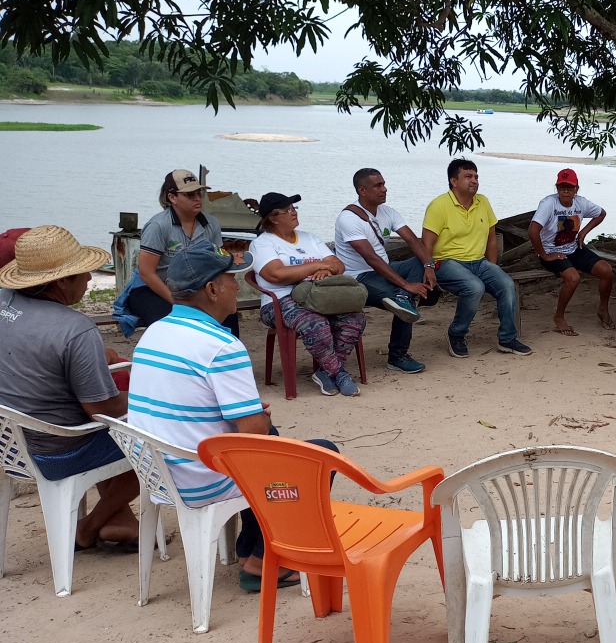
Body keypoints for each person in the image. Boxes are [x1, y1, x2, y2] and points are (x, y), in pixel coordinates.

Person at [127, 240, 342, 592]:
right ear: (212, 290)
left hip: (159, 471)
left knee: (270, 440)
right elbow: (254, 438)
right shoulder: (222, 346)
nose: (236, 286)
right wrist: (257, 418)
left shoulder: (154, 331)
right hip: (201, 478)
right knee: (322, 453)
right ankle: (265, 559)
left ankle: (247, 547)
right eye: (230, 280)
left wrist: (253, 418)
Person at [0, 225, 139, 550]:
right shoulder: (75, 330)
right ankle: (87, 528)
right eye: (83, 272)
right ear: (62, 280)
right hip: (57, 451)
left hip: (10, 446)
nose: (90, 279)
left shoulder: (5, 303)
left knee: (106, 423)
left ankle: (119, 520)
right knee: (158, 437)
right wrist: (152, 398)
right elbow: (103, 410)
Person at [250, 192, 366, 397]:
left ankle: (325, 371)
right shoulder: (263, 244)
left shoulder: (309, 238)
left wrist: (327, 270)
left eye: (294, 208)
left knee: (355, 318)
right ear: (273, 218)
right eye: (286, 211)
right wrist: (318, 265)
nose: (293, 213)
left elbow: (338, 264)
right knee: (315, 324)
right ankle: (338, 373)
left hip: (318, 295)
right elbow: (276, 274)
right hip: (279, 300)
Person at [423, 158, 531, 357]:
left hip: (479, 262)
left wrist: (492, 267)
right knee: (474, 287)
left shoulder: (483, 201)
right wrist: (429, 267)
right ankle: (456, 333)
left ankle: (507, 338)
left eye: (476, 176)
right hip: (446, 262)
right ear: (453, 181)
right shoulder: (439, 206)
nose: (474, 180)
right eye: (468, 176)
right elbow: (426, 243)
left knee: (506, 284)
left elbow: (491, 238)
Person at [335, 168, 436, 374]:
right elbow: (371, 259)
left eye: (384, 184)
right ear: (362, 190)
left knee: (416, 267)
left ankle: (403, 298)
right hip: (358, 278)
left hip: (385, 269)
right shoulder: (348, 219)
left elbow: (412, 240)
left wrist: (429, 265)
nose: (384, 189)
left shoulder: (388, 212)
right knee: (404, 302)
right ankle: (397, 355)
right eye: (378, 186)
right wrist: (406, 284)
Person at [126, 169, 241, 336]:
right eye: (189, 194)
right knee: (170, 324)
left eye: (199, 193)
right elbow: (147, 273)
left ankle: (227, 356)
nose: (197, 198)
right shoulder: (158, 226)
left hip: (193, 287)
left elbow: (217, 263)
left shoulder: (211, 224)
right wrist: (177, 301)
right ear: (172, 197)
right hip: (153, 288)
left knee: (227, 312)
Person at [529, 168, 615, 335]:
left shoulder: (581, 203)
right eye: (561, 187)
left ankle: (603, 309)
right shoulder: (548, 204)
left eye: (569, 187)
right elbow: (533, 231)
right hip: (552, 251)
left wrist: (583, 232)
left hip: (574, 249)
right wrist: (545, 254)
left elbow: (601, 213)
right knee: (573, 278)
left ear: (576, 189)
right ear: (557, 188)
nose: (565, 191)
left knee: (606, 271)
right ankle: (559, 316)